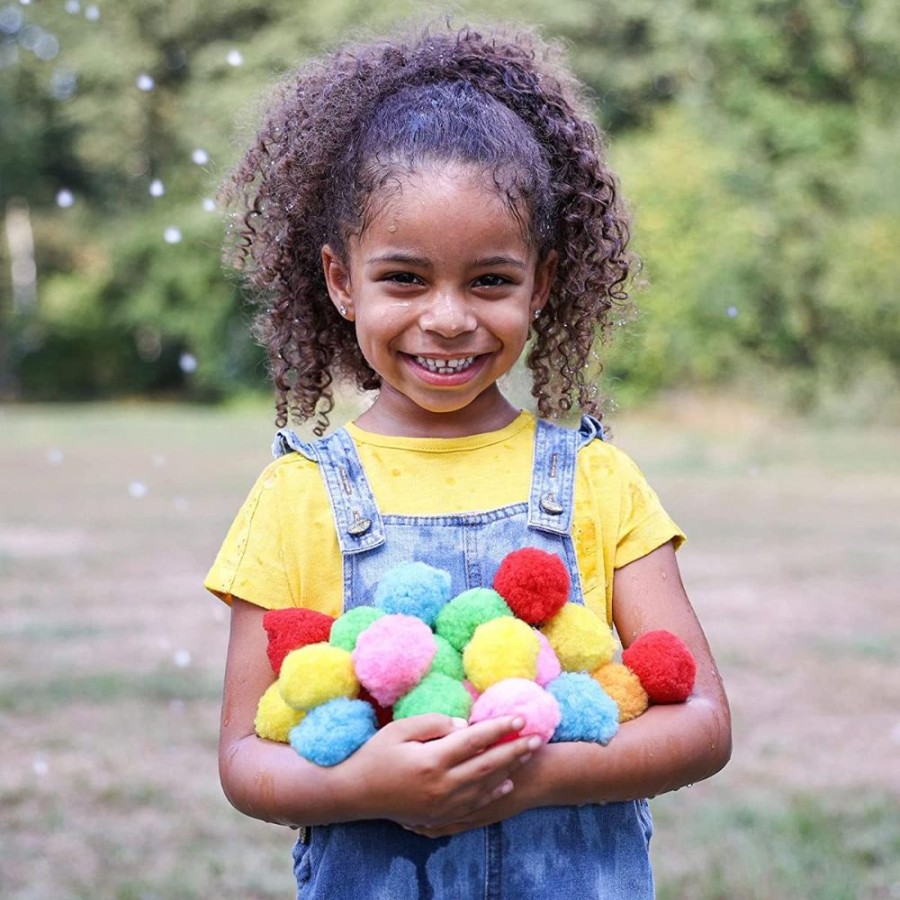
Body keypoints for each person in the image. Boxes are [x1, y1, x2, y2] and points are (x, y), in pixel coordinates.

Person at [205, 22, 731, 899]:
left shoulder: (599, 481)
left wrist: (526, 777)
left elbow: (703, 724)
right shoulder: (296, 496)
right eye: (405, 279)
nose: (448, 318)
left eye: (489, 281)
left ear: (543, 282)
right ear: (342, 281)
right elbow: (242, 759)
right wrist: (367, 783)